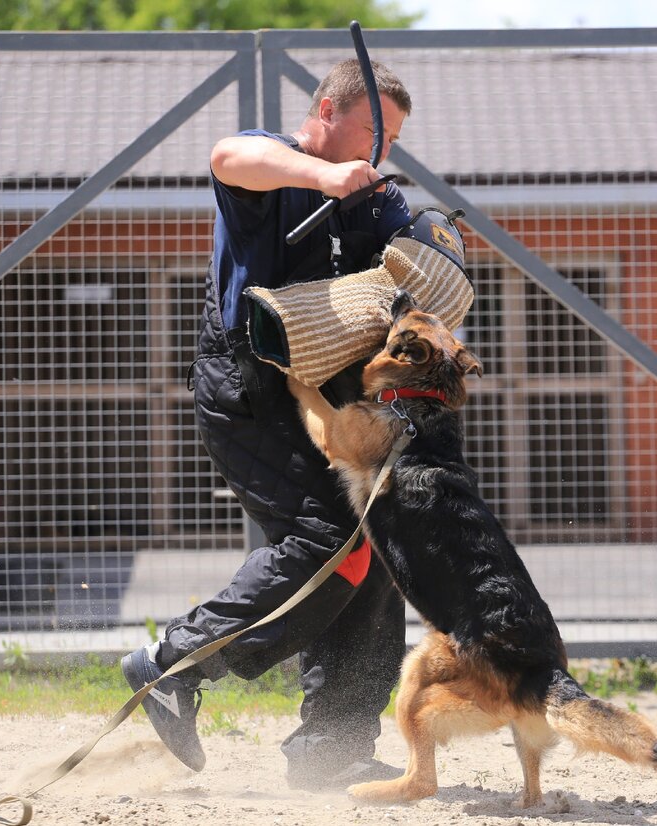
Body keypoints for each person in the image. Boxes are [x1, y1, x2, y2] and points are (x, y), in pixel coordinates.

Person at [121, 58, 414, 790]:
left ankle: (334, 746)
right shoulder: (274, 162)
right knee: (324, 537)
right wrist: (325, 178)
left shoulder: (372, 194)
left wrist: (433, 248)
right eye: (375, 129)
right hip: (247, 388)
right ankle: (173, 665)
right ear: (326, 109)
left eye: (396, 137)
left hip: (329, 390)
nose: (382, 149)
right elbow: (230, 157)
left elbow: (411, 258)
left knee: (372, 543)